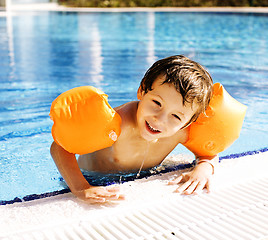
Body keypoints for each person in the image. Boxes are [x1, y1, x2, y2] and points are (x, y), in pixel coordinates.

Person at [50, 55, 218, 203]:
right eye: (157, 103)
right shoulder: (117, 124)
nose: (159, 119)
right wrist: (80, 187)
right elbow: (60, 147)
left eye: (176, 117)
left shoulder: (182, 133)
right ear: (141, 90)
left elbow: (209, 151)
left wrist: (204, 168)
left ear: (188, 122)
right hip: (90, 177)